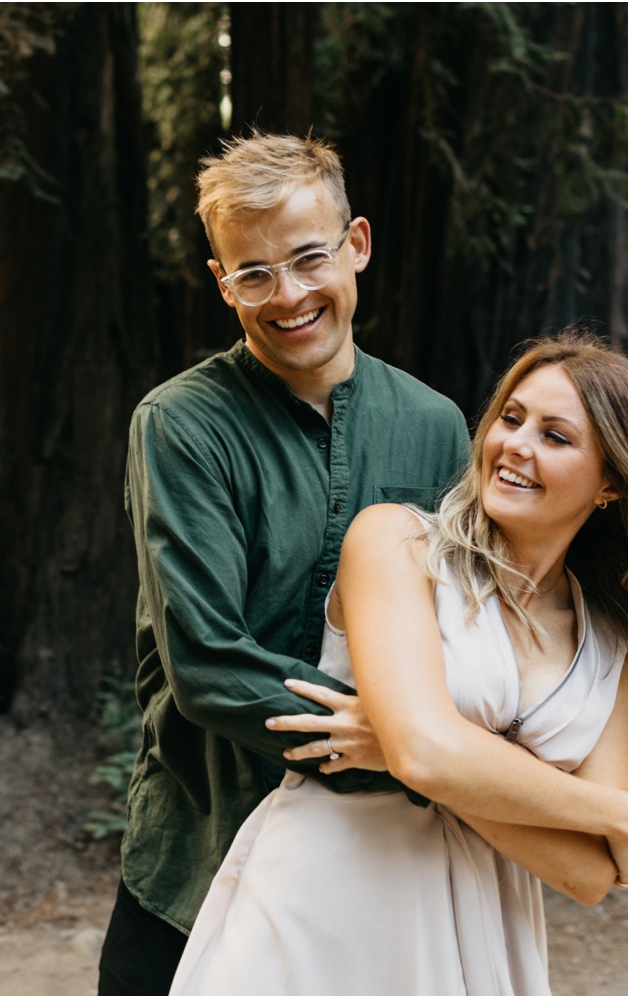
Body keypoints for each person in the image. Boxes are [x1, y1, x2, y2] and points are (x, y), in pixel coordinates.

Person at [169, 331, 628, 995]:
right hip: (330, 900)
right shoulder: (398, 544)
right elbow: (426, 753)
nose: (515, 444)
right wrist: (615, 813)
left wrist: (415, 752)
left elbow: (590, 874)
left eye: (556, 436)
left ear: (611, 482)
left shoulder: (610, 644)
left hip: (486, 930)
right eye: (511, 419)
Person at [96, 132, 471, 995]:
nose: (288, 295)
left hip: (374, 867)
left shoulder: (437, 425)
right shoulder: (181, 425)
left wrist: (433, 753)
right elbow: (208, 663)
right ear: (221, 281)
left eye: (309, 258)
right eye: (254, 272)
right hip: (202, 854)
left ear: (358, 245)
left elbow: (468, 627)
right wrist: (404, 747)